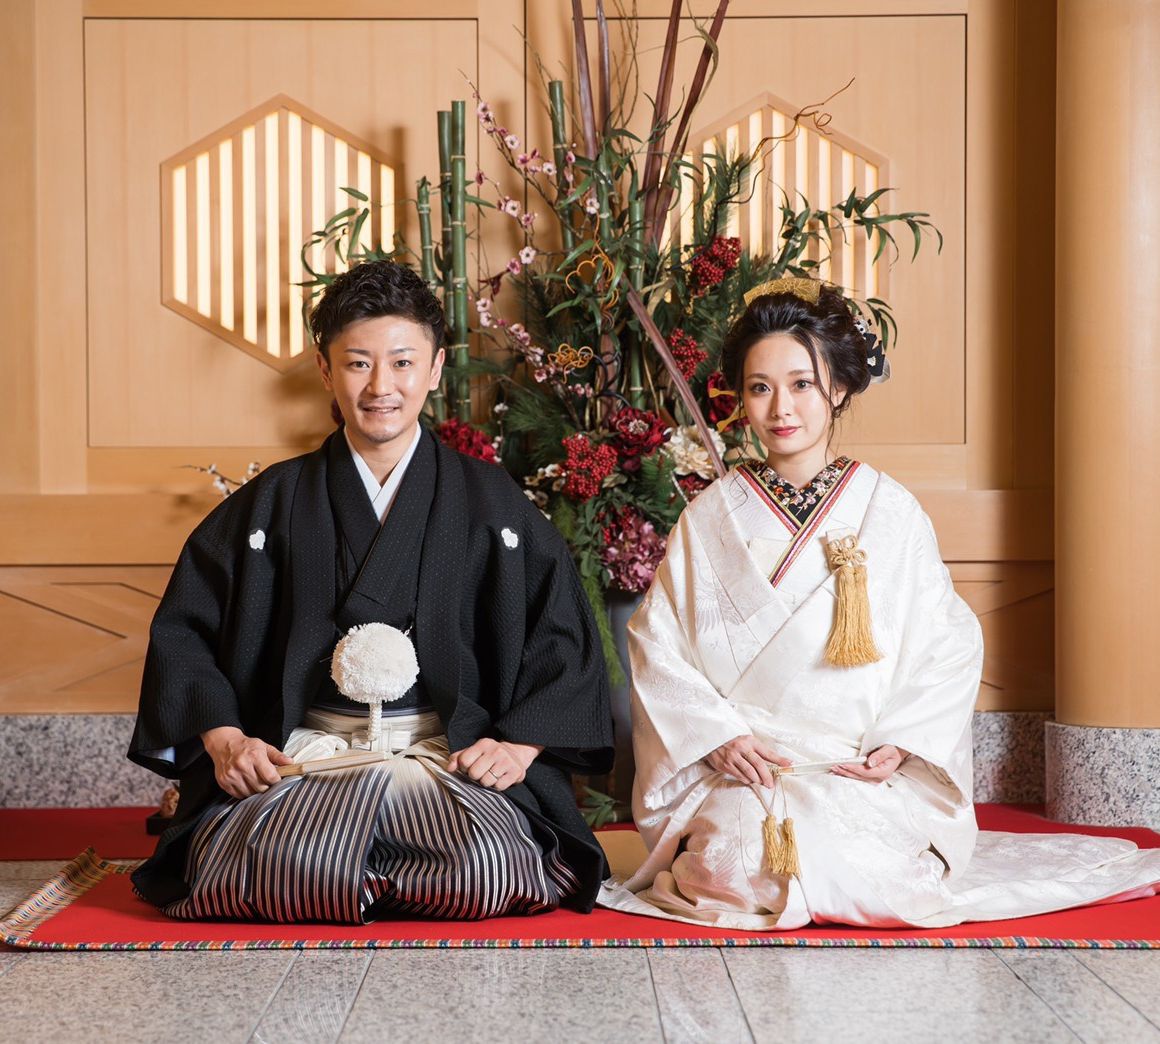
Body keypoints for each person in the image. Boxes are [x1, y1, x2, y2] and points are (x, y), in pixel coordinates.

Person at [599, 277, 1160, 930]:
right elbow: (657, 641)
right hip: (743, 773)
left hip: (854, 768)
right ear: (740, 399)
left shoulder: (889, 512)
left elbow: (949, 640)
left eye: (802, 384)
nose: (781, 408)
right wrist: (716, 737)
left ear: (838, 388)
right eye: (760, 387)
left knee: (876, 872)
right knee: (735, 872)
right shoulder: (709, 518)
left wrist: (904, 740)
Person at [129, 260, 613, 923]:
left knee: (487, 866)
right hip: (306, 756)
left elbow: (560, 635)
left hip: (444, 756)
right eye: (358, 364)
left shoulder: (490, 502)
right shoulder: (273, 502)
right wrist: (226, 740)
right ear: (325, 371)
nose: (381, 386)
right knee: (260, 866)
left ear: (436, 368)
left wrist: (519, 746)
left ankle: (353, 877)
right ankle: (367, 875)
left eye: (403, 363)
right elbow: (186, 630)